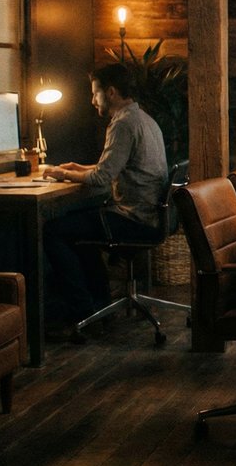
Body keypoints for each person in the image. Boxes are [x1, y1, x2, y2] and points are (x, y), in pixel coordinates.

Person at [42, 63, 167, 333]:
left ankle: (84, 311)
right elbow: (115, 167)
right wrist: (79, 168)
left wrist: (61, 173)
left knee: (53, 231)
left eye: (95, 93)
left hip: (132, 218)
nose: (92, 100)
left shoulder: (122, 124)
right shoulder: (144, 119)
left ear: (110, 92)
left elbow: (101, 179)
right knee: (79, 233)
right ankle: (98, 307)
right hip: (149, 215)